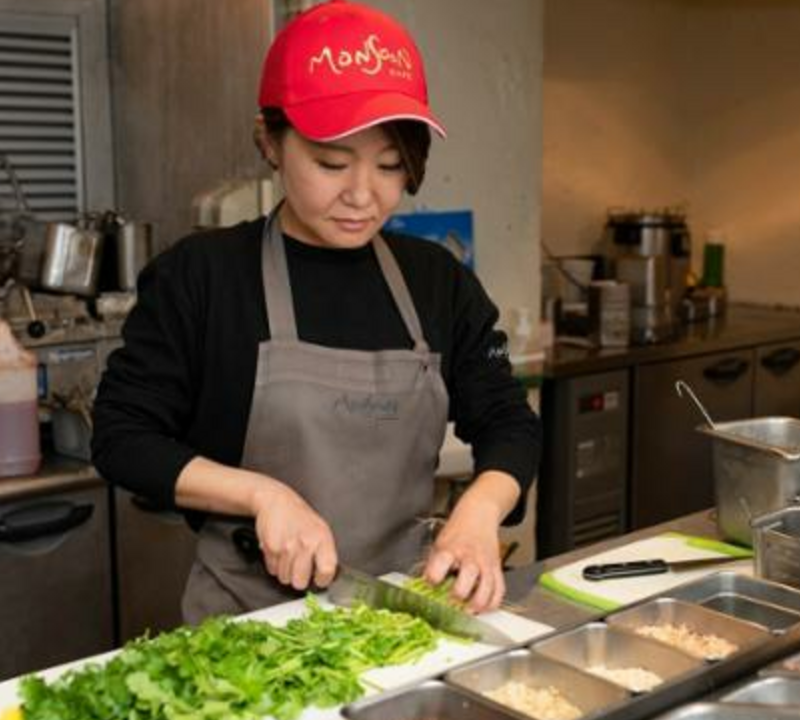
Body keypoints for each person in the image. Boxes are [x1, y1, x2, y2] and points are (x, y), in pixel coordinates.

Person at [92, 0, 540, 624]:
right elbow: (121, 437)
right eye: (332, 164)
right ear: (270, 142)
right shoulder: (203, 276)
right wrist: (261, 495)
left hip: (402, 618)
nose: (362, 195)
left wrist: (480, 511)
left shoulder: (436, 280)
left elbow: (509, 423)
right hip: (251, 631)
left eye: (390, 166)